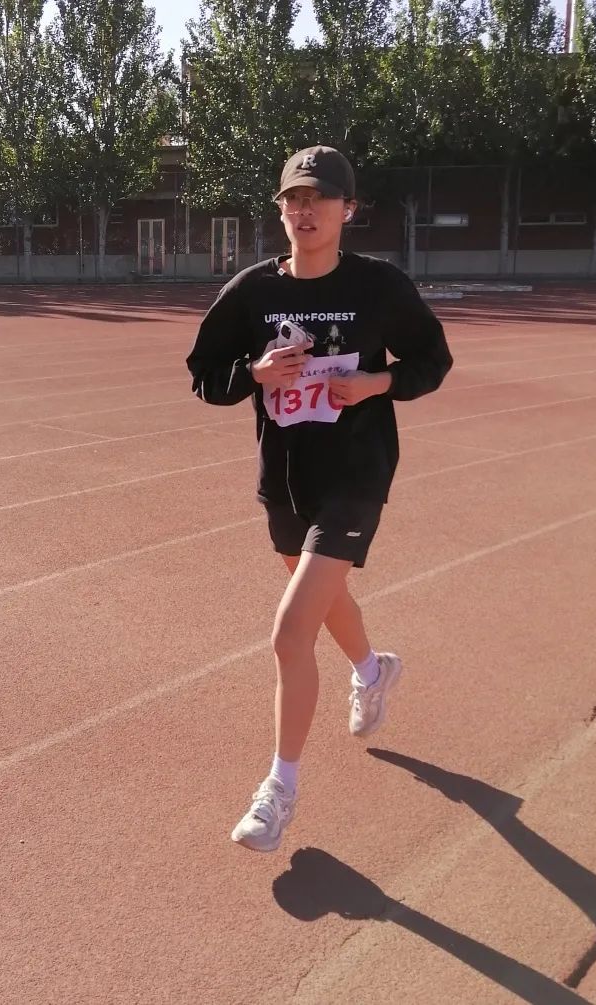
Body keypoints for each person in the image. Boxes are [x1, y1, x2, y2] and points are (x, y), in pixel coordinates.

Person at [185, 145, 453, 852]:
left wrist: (375, 383)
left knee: (290, 630)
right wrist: (255, 372)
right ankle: (374, 669)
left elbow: (433, 359)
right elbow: (204, 371)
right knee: (325, 600)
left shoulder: (378, 286)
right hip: (286, 478)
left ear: (347, 209)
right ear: (280, 210)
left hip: (357, 473)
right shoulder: (252, 292)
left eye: (320, 198)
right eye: (293, 198)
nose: (305, 210)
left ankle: (279, 791)